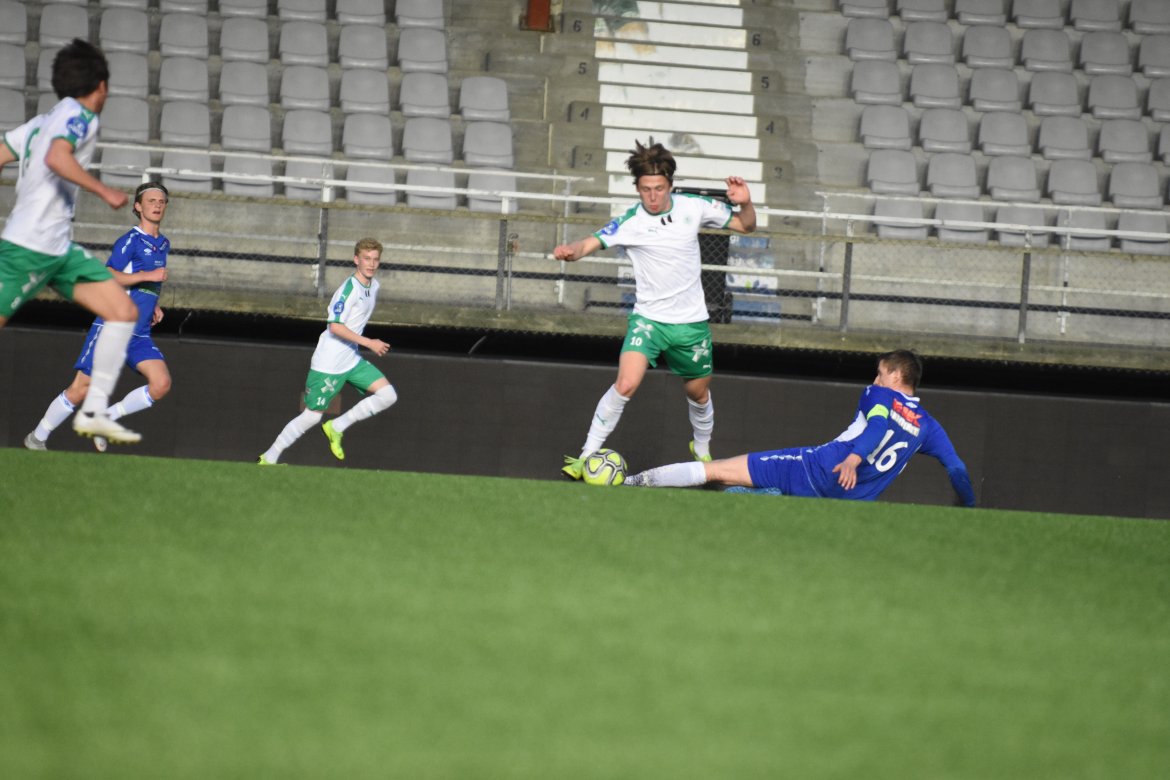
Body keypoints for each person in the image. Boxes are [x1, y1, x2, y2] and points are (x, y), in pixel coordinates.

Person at [553, 140, 756, 479]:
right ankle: (586, 456)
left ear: (670, 186)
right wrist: (570, 251)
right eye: (646, 189)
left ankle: (701, 448)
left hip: (690, 324)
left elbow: (746, 225)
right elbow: (587, 243)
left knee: (698, 392)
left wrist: (746, 203)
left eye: (659, 188)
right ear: (637, 188)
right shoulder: (630, 221)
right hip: (648, 321)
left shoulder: (694, 206)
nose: (653, 196)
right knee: (626, 383)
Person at [0, 39, 140, 444]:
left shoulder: (41, 121)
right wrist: (104, 191)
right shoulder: (82, 115)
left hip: (57, 250)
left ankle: (93, 412)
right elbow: (57, 158)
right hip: (28, 249)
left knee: (122, 311)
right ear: (101, 85)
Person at [624, 350, 977, 507]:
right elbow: (957, 469)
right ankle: (766, 497)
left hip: (821, 469)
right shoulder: (928, 426)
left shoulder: (880, 394)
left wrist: (854, 459)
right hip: (851, 502)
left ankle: (630, 483)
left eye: (881, 373)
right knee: (734, 486)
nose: (875, 379)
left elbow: (878, 426)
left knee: (718, 471)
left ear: (896, 375)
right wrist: (968, 507)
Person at [24, 182, 172, 452]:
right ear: (138, 207)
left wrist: (154, 304)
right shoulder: (131, 240)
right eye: (151, 201)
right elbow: (109, 275)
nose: (157, 205)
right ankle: (38, 437)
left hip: (138, 333)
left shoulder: (163, 244)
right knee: (81, 388)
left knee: (161, 384)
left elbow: (144, 285)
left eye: (161, 201)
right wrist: (148, 276)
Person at [258, 238, 398, 465]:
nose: (371, 264)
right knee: (312, 416)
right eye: (366, 259)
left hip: (350, 359)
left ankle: (337, 426)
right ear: (356, 260)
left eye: (375, 259)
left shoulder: (374, 286)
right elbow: (335, 326)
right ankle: (268, 457)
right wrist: (369, 343)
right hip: (329, 363)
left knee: (388, 395)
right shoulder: (349, 290)